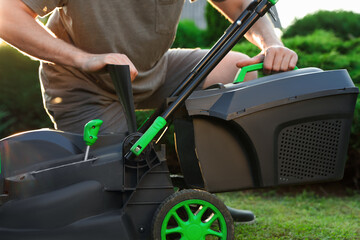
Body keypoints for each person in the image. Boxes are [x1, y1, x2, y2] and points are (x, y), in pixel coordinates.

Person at [0, 0, 297, 222]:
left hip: (153, 70)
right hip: (83, 81)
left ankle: (197, 195)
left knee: (237, 69)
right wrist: (81, 59)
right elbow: (7, 14)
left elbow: (241, 4)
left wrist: (272, 44)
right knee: (115, 190)